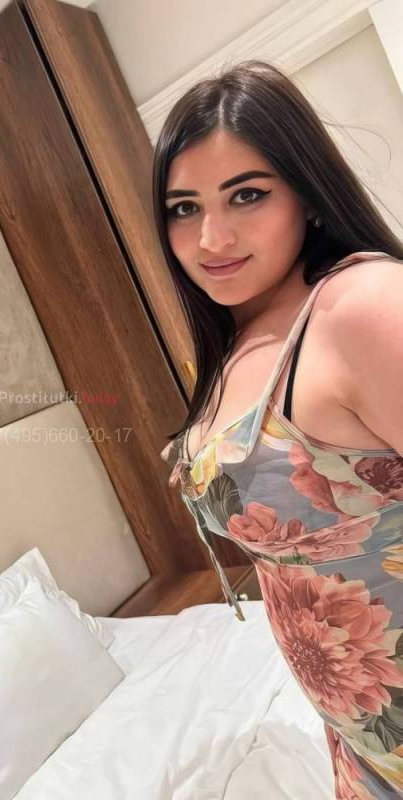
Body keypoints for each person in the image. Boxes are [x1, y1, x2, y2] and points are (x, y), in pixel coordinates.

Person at [154, 59, 403, 798]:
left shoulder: (361, 305)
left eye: (247, 194)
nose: (211, 238)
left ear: (309, 195)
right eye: (183, 207)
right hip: (360, 733)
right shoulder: (239, 338)